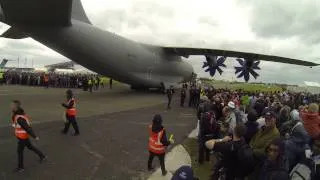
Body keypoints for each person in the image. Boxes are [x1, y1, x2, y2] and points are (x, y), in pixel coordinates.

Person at [11, 100, 47, 172]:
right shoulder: (18, 114)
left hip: (22, 138)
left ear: (16, 107)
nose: (11, 107)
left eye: (13, 106)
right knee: (30, 147)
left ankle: (21, 167)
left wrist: (34, 136)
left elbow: (27, 128)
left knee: (19, 151)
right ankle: (42, 156)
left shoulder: (19, 117)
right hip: (23, 136)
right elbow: (22, 125)